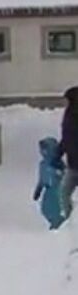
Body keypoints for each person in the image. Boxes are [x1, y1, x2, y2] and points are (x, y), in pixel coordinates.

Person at [34, 137, 66, 230]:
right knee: (45, 208)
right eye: (41, 150)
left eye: (45, 150)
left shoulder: (57, 163)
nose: (42, 152)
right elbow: (42, 177)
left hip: (58, 189)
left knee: (56, 207)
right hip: (48, 189)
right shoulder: (43, 164)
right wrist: (38, 189)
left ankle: (59, 223)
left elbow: (65, 174)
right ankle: (53, 222)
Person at [58, 86, 78, 220]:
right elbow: (67, 138)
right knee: (64, 192)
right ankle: (69, 220)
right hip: (73, 164)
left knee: (64, 191)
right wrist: (59, 151)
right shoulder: (69, 115)